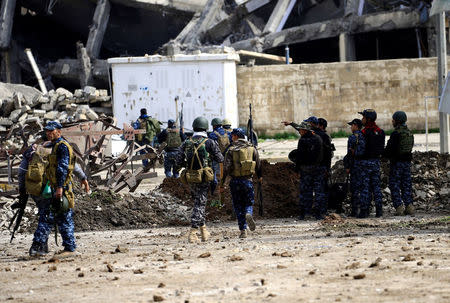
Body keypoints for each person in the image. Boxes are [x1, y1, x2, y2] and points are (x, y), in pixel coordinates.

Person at [18, 136, 90, 257]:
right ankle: (44, 247)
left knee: (45, 216)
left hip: (38, 190)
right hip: (56, 189)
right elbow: (73, 166)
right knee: (60, 217)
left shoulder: (33, 151)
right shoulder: (60, 149)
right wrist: (83, 178)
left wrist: (22, 191)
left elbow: (21, 171)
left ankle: (41, 247)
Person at [28, 121, 82, 257]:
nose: (48, 133)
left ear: (59, 131)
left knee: (62, 217)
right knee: (50, 217)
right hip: (53, 188)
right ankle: (40, 247)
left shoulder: (63, 147)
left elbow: (62, 168)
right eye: (47, 131)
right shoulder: (56, 145)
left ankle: (68, 249)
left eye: (51, 131)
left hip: (61, 188)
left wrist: (59, 188)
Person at [178, 117, 224, 243]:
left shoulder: (186, 142)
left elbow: (179, 161)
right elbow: (220, 158)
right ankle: (193, 232)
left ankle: (204, 231)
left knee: (198, 203)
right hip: (204, 178)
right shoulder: (209, 142)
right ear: (205, 128)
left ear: (193, 128)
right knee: (200, 204)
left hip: (190, 177)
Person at [220, 128, 262, 238]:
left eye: (232, 135)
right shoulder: (252, 148)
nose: (231, 137)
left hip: (235, 182)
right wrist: (260, 177)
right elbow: (258, 164)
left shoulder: (231, 150)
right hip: (248, 181)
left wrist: (223, 183)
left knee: (238, 206)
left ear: (236, 136)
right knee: (248, 203)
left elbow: (226, 168)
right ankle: (249, 213)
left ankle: (243, 230)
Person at [383, 111, 415, 216]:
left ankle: (399, 208)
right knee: (406, 185)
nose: (392, 121)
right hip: (406, 163)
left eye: (393, 119)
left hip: (397, 163)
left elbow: (389, 150)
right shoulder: (410, 133)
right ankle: (409, 206)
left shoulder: (396, 133)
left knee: (394, 185)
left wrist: (383, 155)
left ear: (397, 121)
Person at [292, 122, 325, 220]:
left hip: (306, 170)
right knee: (318, 192)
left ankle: (304, 214)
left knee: (305, 192)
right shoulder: (318, 138)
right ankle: (318, 214)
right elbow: (322, 155)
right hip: (317, 169)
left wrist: (297, 170)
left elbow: (299, 156)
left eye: (301, 130)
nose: (299, 131)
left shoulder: (302, 140)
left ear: (305, 130)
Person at [358, 109, 385, 218]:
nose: (362, 119)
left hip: (365, 163)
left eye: (363, 117)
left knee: (365, 187)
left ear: (368, 119)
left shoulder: (363, 133)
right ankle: (379, 210)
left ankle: (364, 211)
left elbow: (360, 150)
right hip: (376, 162)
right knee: (376, 187)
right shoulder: (380, 132)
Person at [343, 119, 365, 217]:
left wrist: (347, 166)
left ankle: (354, 211)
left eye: (352, 125)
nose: (351, 127)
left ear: (356, 126)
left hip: (355, 166)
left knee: (355, 189)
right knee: (364, 188)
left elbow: (349, 154)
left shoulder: (352, 137)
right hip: (364, 166)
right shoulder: (364, 135)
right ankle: (364, 210)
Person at [208, 118, 230, 192]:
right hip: (226, 157)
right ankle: (223, 188)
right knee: (224, 174)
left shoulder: (212, 134)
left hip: (216, 158)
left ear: (214, 125)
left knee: (215, 175)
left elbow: (209, 146)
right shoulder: (227, 133)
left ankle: (214, 191)